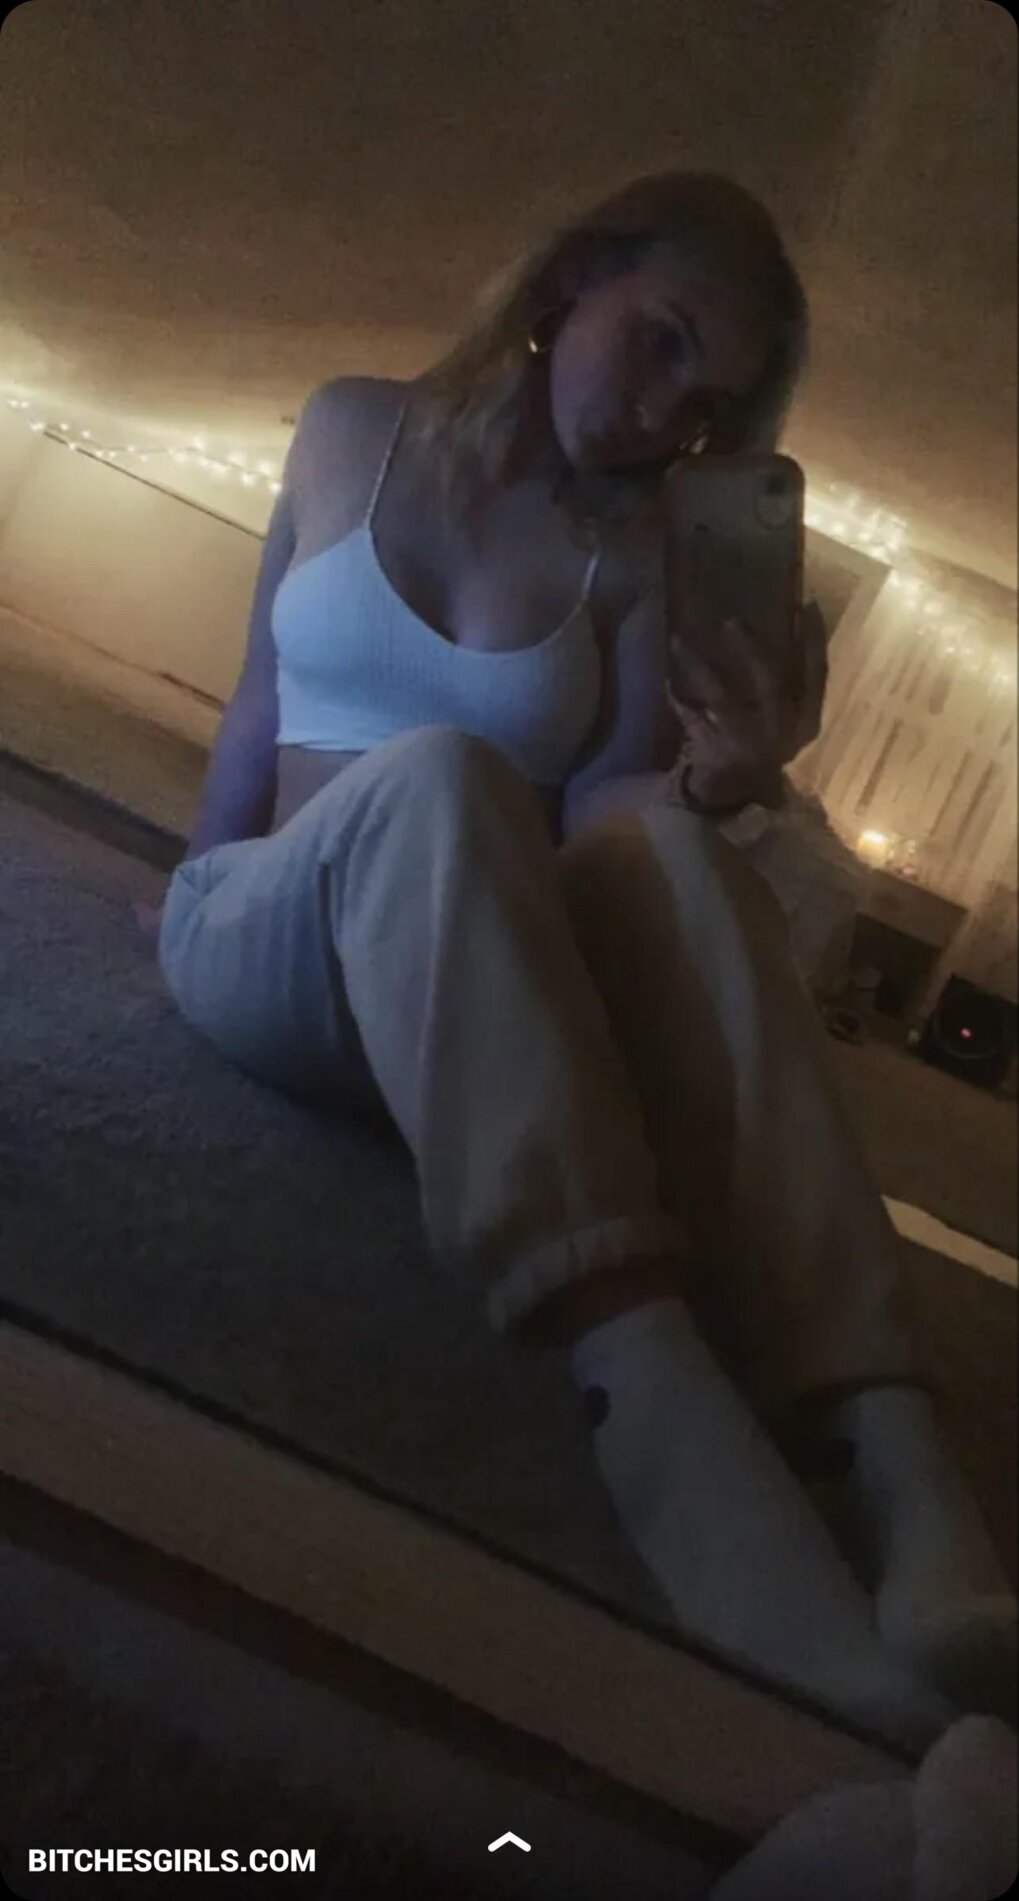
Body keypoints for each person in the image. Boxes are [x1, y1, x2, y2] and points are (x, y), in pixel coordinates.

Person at [144, 171, 1016, 1751]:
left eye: (712, 400)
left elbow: (603, 826)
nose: (669, 415)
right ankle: (646, 1386)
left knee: (666, 851)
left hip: (450, 998)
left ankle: (888, 1446)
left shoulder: (635, 558)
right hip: (272, 933)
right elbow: (262, 701)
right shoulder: (349, 426)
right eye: (663, 341)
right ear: (569, 284)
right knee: (437, 772)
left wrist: (723, 783)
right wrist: (188, 890)